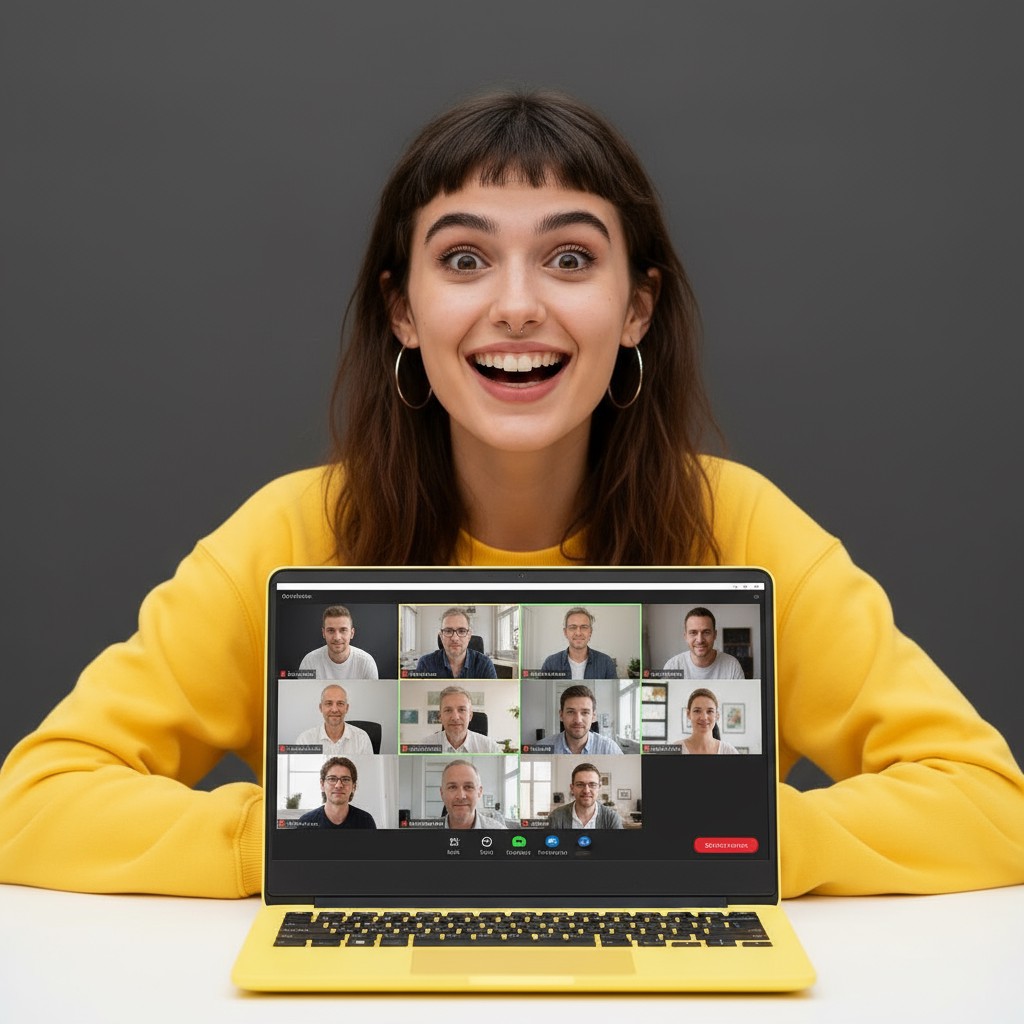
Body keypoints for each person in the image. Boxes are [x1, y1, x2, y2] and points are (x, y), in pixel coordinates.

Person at [0, 91, 1021, 900]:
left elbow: (989, 802)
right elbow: (34, 800)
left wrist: (738, 836)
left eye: (570, 258)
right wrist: (301, 839)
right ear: (403, 310)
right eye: (464, 259)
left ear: (637, 307)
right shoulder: (292, 531)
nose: (518, 305)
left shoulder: (738, 523)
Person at [538, 685, 623, 755]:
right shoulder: (542, 748)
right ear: (561, 715)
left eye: (585, 712)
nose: (578, 720)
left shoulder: (609, 749)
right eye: (571, 712)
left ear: (593, 716)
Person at [298, 605, 379, 679]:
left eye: (343, 630)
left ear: (352, 633)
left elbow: (372, 691)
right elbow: (303, 690)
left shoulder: (366, 662)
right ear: (323, 633)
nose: (337, 637)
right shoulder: (309, 662)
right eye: (331, 630)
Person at [414, 608, 497, 679]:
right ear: (441, 636)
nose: (454, 638)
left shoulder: (485, 664)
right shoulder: (425, 663)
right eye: (448, 631)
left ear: (469, 636)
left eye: (461, 631)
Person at [662, 608, 744, 679]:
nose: (700, 640)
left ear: (715, 635)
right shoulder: (673, 666)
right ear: (685, 636)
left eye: (706, 632)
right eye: (693, 632)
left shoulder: (732, 665)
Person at [297, 756, 376, 829]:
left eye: (345, 779)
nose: (338, 785)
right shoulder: (306, 822)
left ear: (354, 786)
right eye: (332, 779)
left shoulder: (366, 821)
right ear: (322, 785)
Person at [539, 607, 618, 679]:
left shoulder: (606, 663)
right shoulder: (550, 663)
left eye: (584, 627)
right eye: (573, 627)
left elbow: (614, 690)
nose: (578, 633)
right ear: (565, 632)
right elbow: (541, 689)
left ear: (590, 632)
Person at [295, 685, 373, 756]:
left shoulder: (362, 738)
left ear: (347, 708)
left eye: (340, 703)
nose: (334, 710)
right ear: (321, 708)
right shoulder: (305, 740)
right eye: (329, 703)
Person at [426, 685, 501, 753]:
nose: (455, 717)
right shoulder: (425, 746)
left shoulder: (490, 748)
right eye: (448, 710)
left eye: (461, 710)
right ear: (440, 717)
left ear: (470, 716)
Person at [546, 763, 622, 830]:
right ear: (572, 788)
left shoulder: (612, 818)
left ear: (599, 788)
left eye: (592, 785)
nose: (586, 791)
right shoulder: (556, 817)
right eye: (580, 784)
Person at [439, 759, 506, 830]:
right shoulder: (430, 831)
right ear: (442, 793)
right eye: (452, 787)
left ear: (479, 792)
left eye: (468, 787)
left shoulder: (500, 831)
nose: (461, 796)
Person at [671, 688, 739, 755]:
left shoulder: (729, 751)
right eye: (697, 711)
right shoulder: (675, 750)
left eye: (710, 711)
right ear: (688, 714)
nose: (704, 717)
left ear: (717, 716)